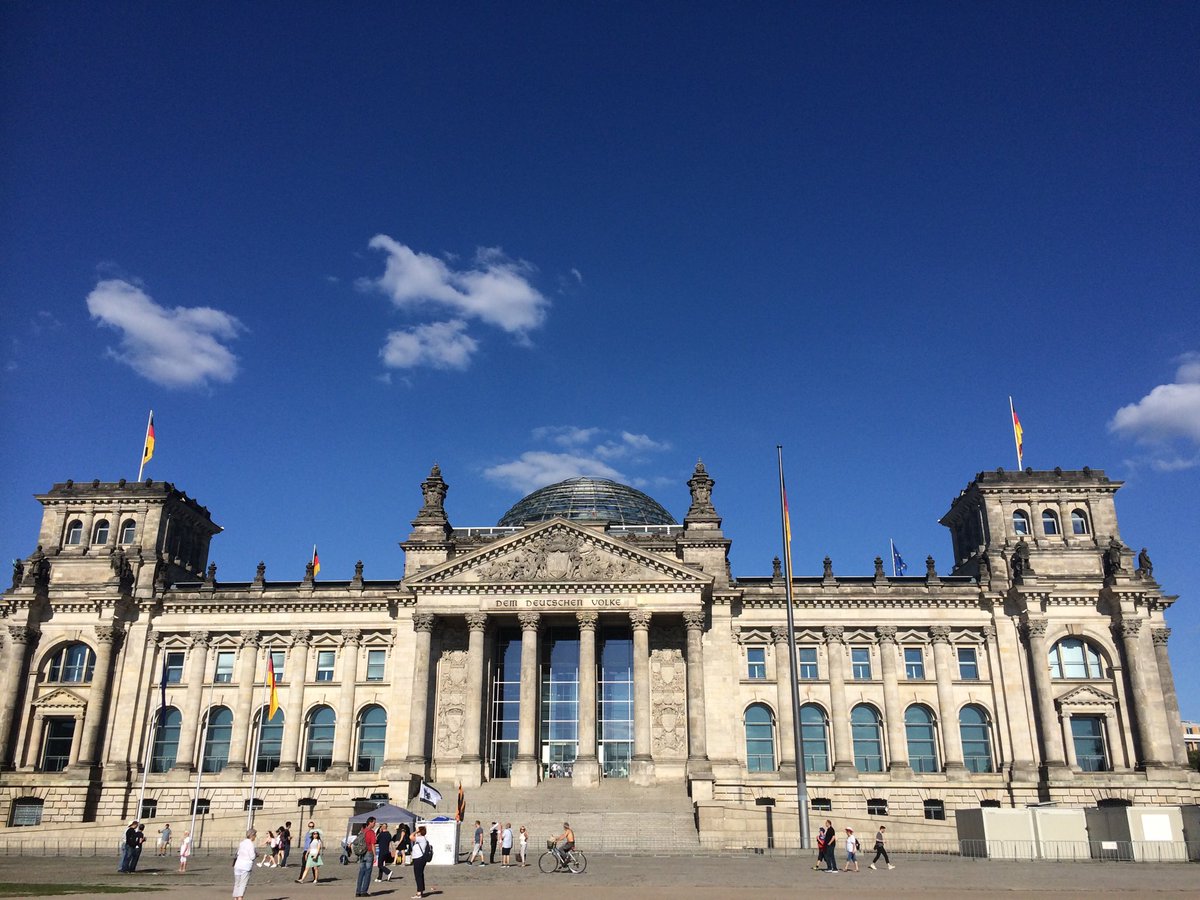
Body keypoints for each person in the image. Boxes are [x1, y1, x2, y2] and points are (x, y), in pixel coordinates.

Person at [355, 816, 377, 897]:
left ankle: (358, 891)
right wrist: (375, 855)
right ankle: (364, 891)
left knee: (361, 872)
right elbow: (373, 844)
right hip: (368, 853)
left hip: (361, 853)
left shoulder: (363, 831)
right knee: (368, 872)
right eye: (374, 822)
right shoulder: (371, 832)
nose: (375, 824)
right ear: (370, 822)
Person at [233, 827, 257, 900]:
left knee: (237, 883)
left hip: (238, 865)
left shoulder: (242, 843)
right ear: (252, 835)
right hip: (246, 866)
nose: (255, 837)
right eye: (255, 835)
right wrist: (256, 854)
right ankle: (240, 898)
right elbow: (252, 857)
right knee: (243, 884)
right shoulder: (251, 844)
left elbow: (238, 853)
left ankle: (235, 898)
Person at [410, 825, 431, 899]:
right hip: (420, 858)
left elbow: (411, 837)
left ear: (420, 832)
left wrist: (416, 831)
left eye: (418, 831)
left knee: (418, 875)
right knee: (420, 875)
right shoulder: (423, 839)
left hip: (419, 859)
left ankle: (419, 893)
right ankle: (421, 890)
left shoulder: (421, 838)